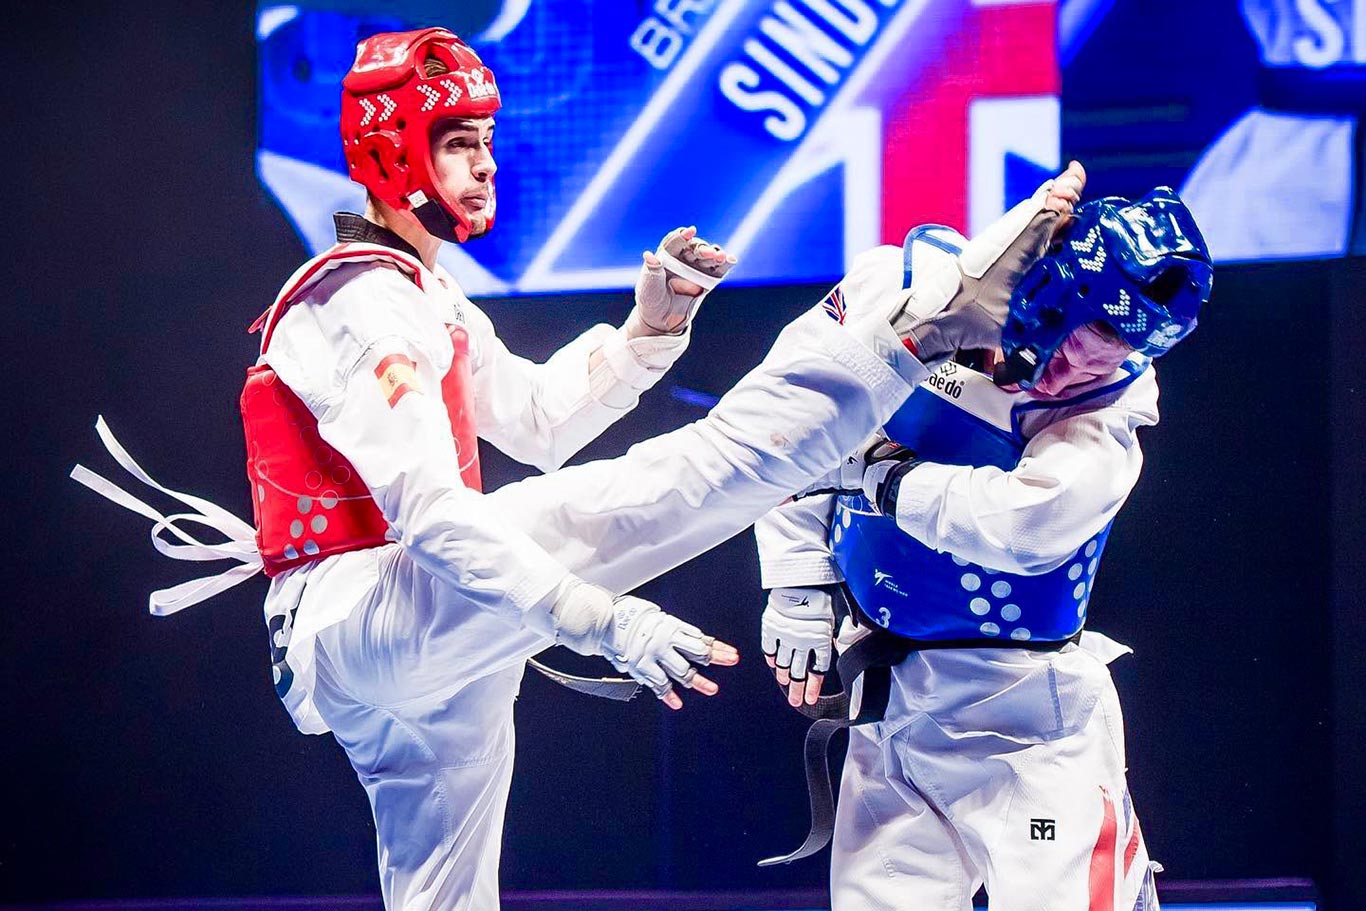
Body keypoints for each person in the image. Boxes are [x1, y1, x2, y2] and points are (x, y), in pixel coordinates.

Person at [72, 25, 1085, 910]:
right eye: (457, 142)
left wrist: (649, 333)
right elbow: (430, 511)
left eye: (484, 140)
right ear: (393, 150)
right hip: (363, 607)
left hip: (400, 633)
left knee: (442, 895)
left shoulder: (419, 291)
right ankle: (905, 333)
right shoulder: (358, 301)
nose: (483, 165)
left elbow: (539, 420)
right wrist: (603, 620)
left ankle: (907, 335)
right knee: (681, 480)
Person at [753, 187, 1213, 910]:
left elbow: (1028, 524)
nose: (1072, 377)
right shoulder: (900, 287)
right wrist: (796, 580)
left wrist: (886, 480)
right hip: (893, 703)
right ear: (1050, 291)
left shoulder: (1107, 409)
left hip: (1030, 721)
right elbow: (789, 408)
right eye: (1071, 347)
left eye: (1102, 363)